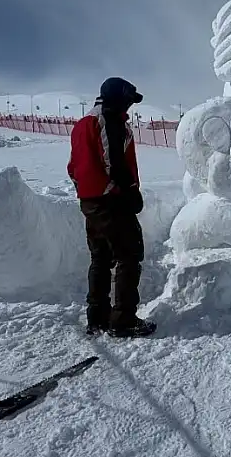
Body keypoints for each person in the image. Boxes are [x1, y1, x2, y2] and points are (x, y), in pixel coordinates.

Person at [67, 77, 155, 338]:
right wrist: (128, 193)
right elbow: (112, 163)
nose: (129, 106)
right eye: (128, 100)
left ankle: (98, 317)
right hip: (111, 201)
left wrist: (85, 192)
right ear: (116, 98)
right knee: (129, 254)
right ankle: (123, 320)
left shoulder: (82, 124)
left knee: (101, 258)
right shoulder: (107, 121)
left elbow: (73, 167)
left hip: (91, 202)